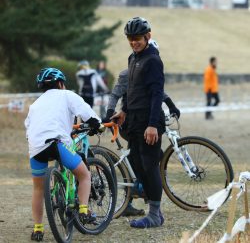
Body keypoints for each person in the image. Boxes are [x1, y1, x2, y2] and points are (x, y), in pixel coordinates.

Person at [103, 41, 180, 217]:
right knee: (139, 160)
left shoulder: (149, 63)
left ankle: (143, 195)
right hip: (131, 121)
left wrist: (171, 106)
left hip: (144, 119)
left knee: (150, 159)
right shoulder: (129, 69)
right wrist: (112, 112)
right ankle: (131, 197)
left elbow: (159, 92)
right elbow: (117, 94)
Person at [25, 68, 102, 241]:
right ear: (60, 83)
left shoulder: (35, 105)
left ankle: (38, 229)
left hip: (36, 147)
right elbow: (87, 112)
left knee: (38, 188)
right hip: (56, 142)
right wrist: (98, 124)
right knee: (84, 175)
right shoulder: (67, 94)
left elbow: (28, 129)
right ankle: (83, 210)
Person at [111, 17, 167, 228]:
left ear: (148, 36)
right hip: (133, 120)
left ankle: (154, 214)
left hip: (149, 120)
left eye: (138, 39)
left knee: (149, 165)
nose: (134, 42)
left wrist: (153, 124)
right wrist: (123, 111)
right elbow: (131, 91)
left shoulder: (153, 60)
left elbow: (156, 94)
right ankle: (155, 211)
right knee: (136, 162)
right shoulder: (133, 58)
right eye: (130, 39)